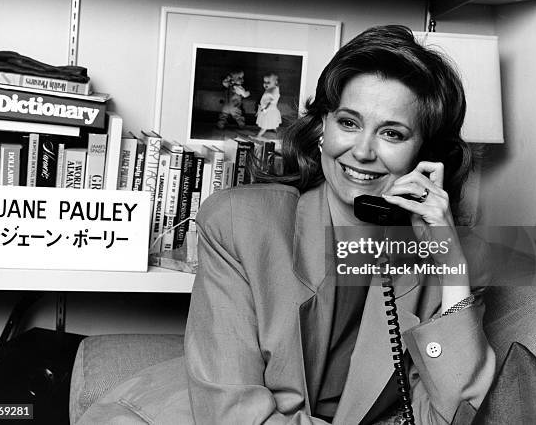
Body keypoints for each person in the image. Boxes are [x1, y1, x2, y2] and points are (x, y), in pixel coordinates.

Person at [186, 25, 495, 424]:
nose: (362, 152)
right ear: (322, 129)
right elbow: (232, 414)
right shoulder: (239, 224)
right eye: (349, 123)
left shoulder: (443, 257)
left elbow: (457, 414)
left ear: (425, 156)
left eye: (392, 133)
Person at [256, 73, 282, 137]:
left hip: (269, 111)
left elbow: (271, 103)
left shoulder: (274, 91)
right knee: (272, 123)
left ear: (275, 83)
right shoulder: (270, 88)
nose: (266, 84)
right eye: (264, 82)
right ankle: (278, 132)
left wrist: (265, 109)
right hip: (266, 110)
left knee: (265, 125)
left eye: (268, 82)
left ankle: (258, 136)